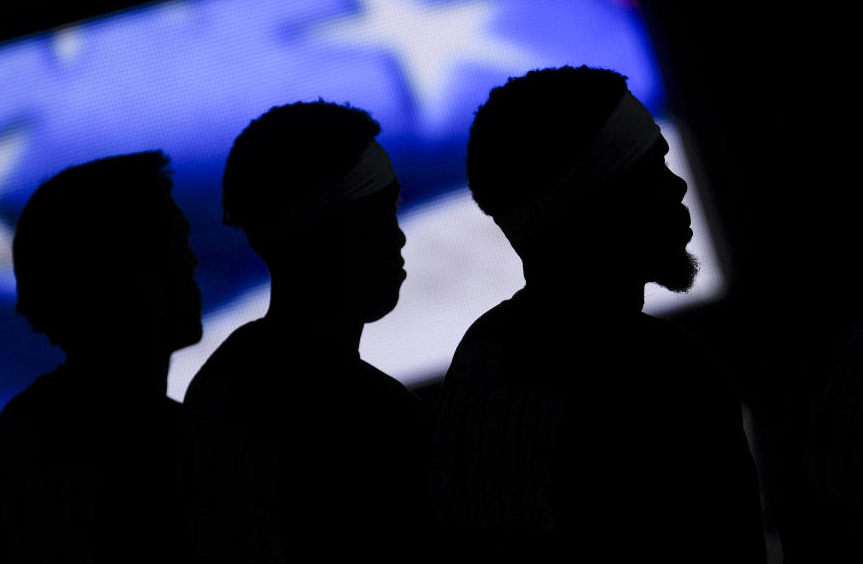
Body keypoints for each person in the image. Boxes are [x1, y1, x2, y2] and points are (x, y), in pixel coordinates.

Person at [430, 66, 766, 562]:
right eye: (649, 169)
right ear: (597, 206)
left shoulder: (482, 354)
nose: (677, 188)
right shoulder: (664, 373)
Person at [184, 101, 429, 563]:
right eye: (381, 211)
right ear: (331, 234)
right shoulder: (378, 420)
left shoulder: (219, 383)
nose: (398, 238)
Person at [0, 151, 203, 562]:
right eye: (170, 245)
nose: (192, 260)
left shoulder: (22, 435)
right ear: (115, 280)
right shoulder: (152, 450)